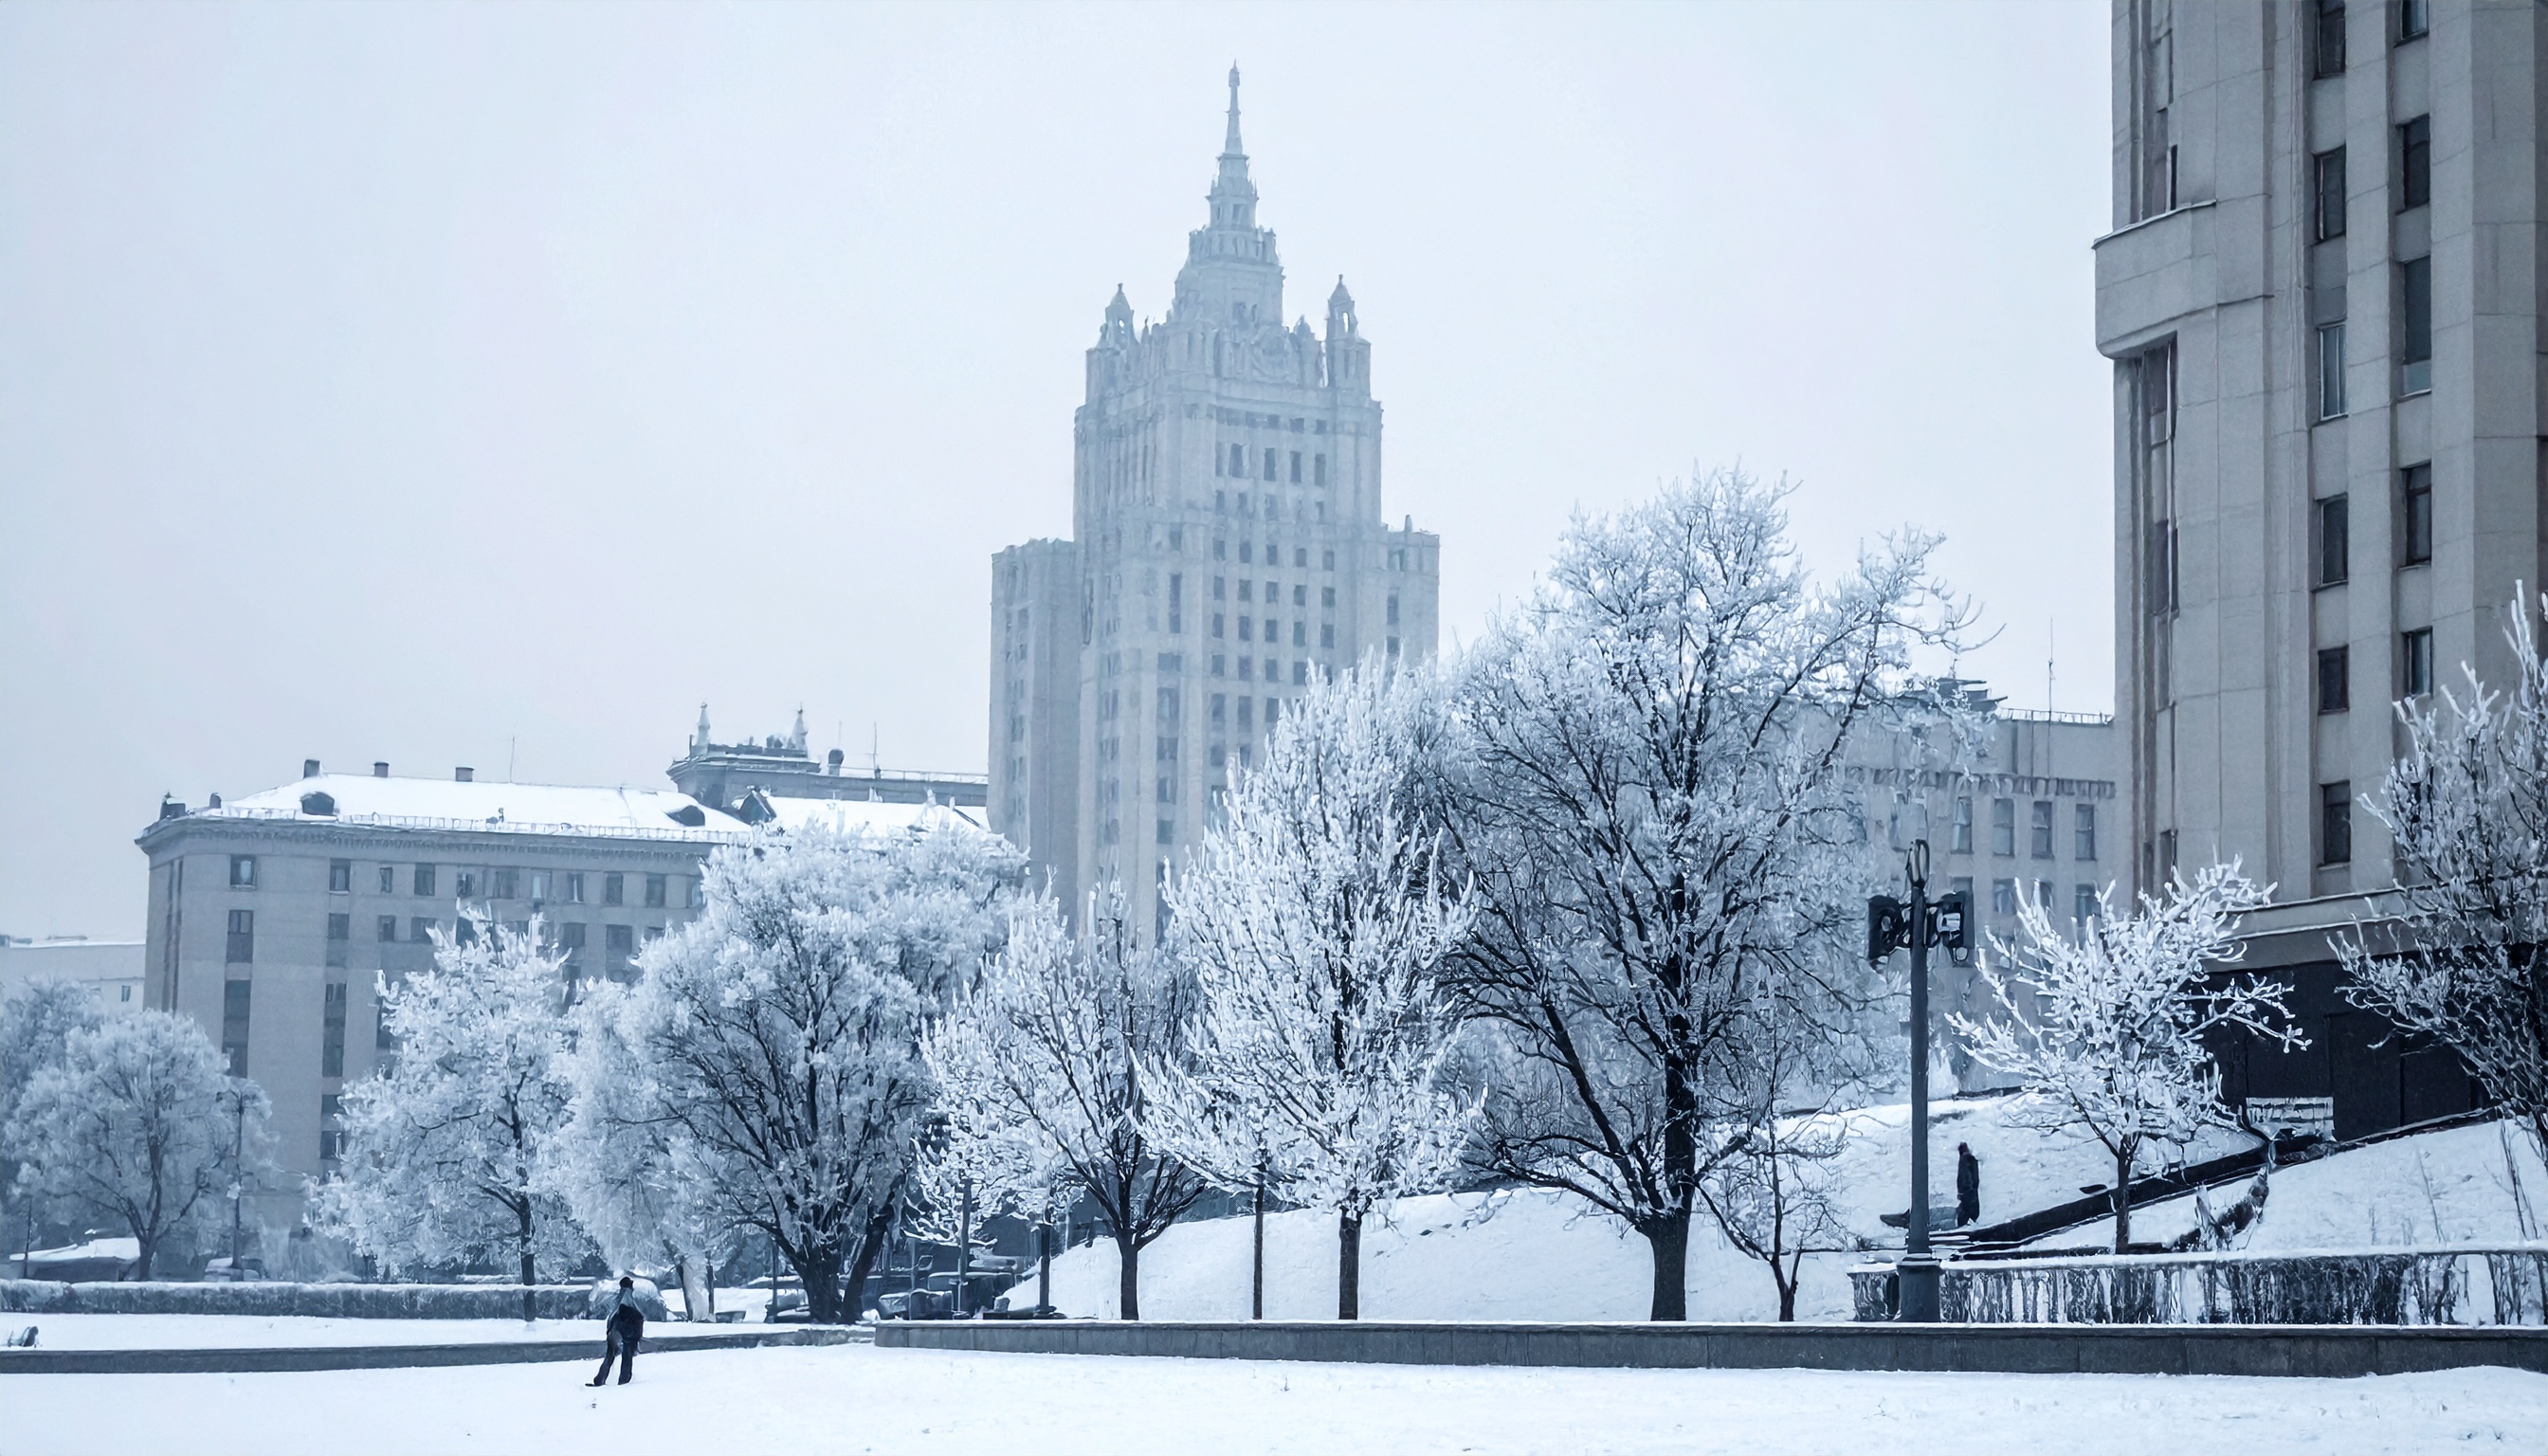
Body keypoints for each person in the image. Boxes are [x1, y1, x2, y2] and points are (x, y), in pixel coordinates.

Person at [591, 1276, 646, 1387]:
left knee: (610, 1355)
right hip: (624, 1331)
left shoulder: (619, 1296)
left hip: (613, 1330)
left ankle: (599, 1380)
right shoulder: (627, 1295)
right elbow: (625, 1310)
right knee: (627, 1354)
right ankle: (624, 1380)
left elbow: (613, 1314)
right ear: (629, 1285)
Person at [1955, 1142, 1981, 1227]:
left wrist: (1964, 1193)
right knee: (1971, 1215)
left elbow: (1965, 1177)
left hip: (1968, 1195)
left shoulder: (1965, 1159)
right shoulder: (1971, 1160)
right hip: (1973, 1195)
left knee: (1964, 1218)